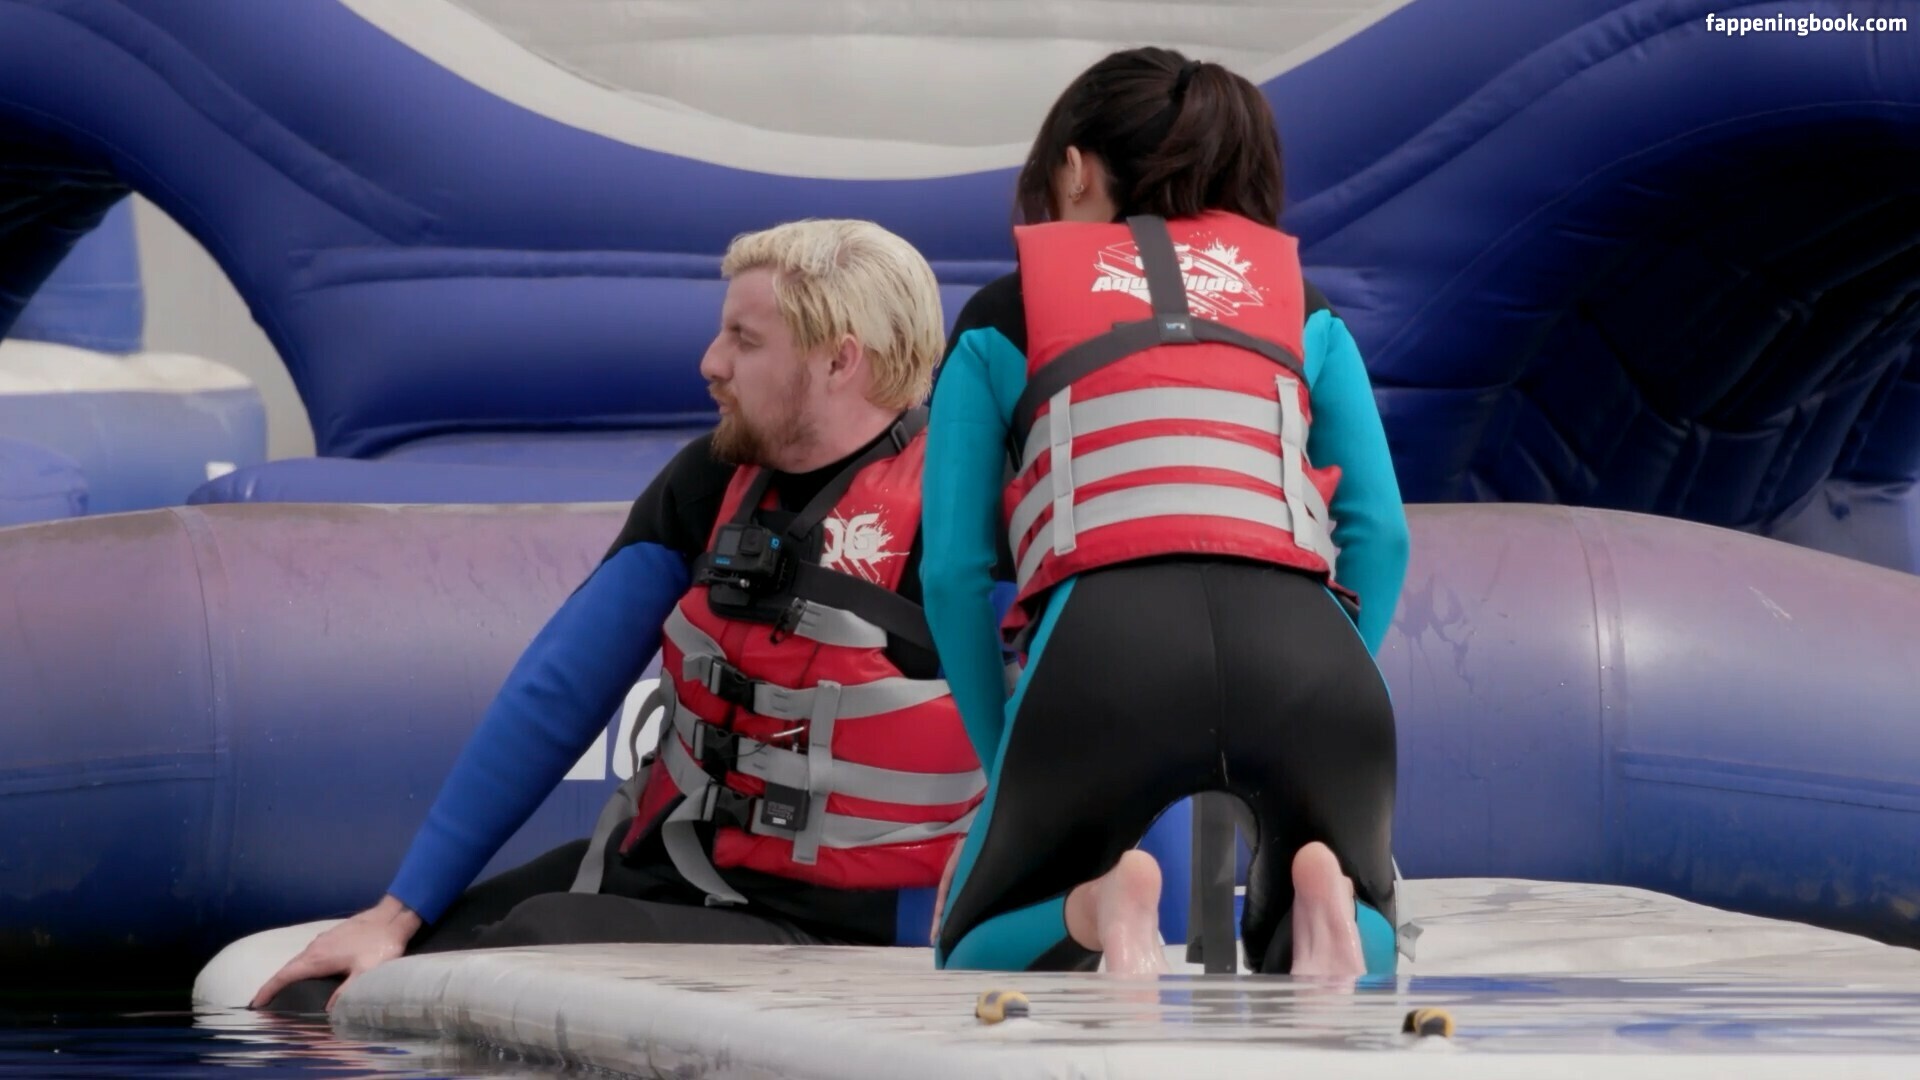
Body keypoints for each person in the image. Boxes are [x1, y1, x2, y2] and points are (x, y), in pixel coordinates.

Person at [253, 219, 983, 1012]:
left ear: (840, 360)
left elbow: (1067, 719)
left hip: (839, 930)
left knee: (520, 959)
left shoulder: (967, 509)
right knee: (329, 994)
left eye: (744, 340)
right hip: (672, 871)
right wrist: (397, 913)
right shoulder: (709, 483)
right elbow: (557, 692)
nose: (711, 363)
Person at [921, 47, 1410, 978]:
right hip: (1305, 651)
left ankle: (1101, 906)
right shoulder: (1305, 310)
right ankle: (1329, 904)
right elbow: (1381, 535)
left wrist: (1005, 760)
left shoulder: (999, 314)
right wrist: (1336, 669)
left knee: (974, 942)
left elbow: (950, 574)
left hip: (1104, 656)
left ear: (1074, 170)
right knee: (1369, 919)